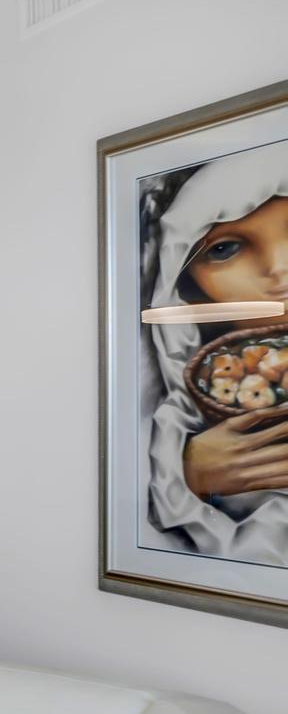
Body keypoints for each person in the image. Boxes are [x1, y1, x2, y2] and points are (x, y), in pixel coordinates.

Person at [142, 141, 288, 563]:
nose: (279, 269)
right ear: (184, 281)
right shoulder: (190, 383)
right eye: (224, 249)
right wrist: (189, 474)